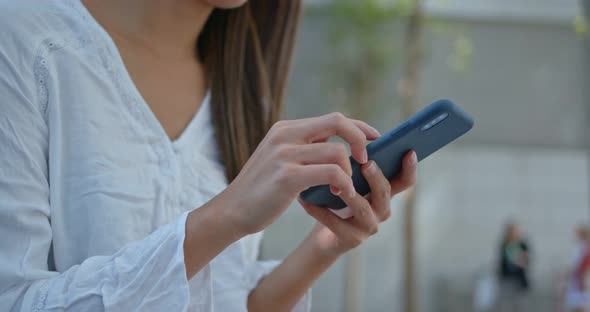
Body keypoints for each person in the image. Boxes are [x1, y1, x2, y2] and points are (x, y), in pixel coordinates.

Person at [0, 0, 418, 311]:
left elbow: (229, 301)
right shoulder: (23, 42)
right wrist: (223, 217)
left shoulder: (242, 88)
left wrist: (327, 243)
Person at [496, 222, 530, 312]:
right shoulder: (504, 245)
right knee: (506, 305)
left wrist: (521, 261)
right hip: (507, 279)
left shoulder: (522, 245)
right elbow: (501, 262)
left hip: (519, 279)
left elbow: (526, 261)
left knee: (520, 305)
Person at [565, 225, 590, 312]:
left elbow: (584, 266)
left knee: (581, 306)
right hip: (576, 281)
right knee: (576, 306)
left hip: (581, 281)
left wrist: (583, 280)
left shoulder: (585, 248)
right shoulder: (579, 247)